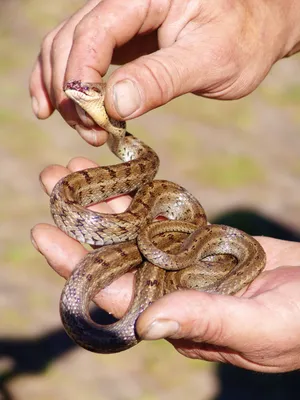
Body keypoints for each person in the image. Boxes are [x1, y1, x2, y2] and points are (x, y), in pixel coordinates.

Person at [29, 0, 300, 372]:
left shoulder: (140, 159)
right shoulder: (124, 145)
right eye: (74, 87)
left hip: (176, 243)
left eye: (81, 87)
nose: (74, 89)